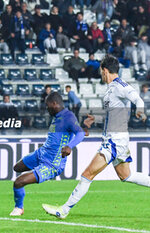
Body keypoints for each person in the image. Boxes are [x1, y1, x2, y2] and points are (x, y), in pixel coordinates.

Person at [42, 55, 149, 219]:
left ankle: (64, 209)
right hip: (115, 139)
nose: (101, 75)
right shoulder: (111, 89)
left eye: (101, 71)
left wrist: (140, 110)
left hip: (114, 140)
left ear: (105, 70)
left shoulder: (120, 86)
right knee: (126, 175)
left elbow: (137, 98)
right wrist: (96, 120)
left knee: (87, 174)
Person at [9, 92, 87, 216]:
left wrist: (69, 146)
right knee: (17, 167)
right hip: (41, 153)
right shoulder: (58, 116)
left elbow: (80, 133)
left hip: (52, 163)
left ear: (54, 104)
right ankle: (22, 200)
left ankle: (19, 208)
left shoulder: (68, 116)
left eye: (47, 105)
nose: (46, 108)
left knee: (18, 182)